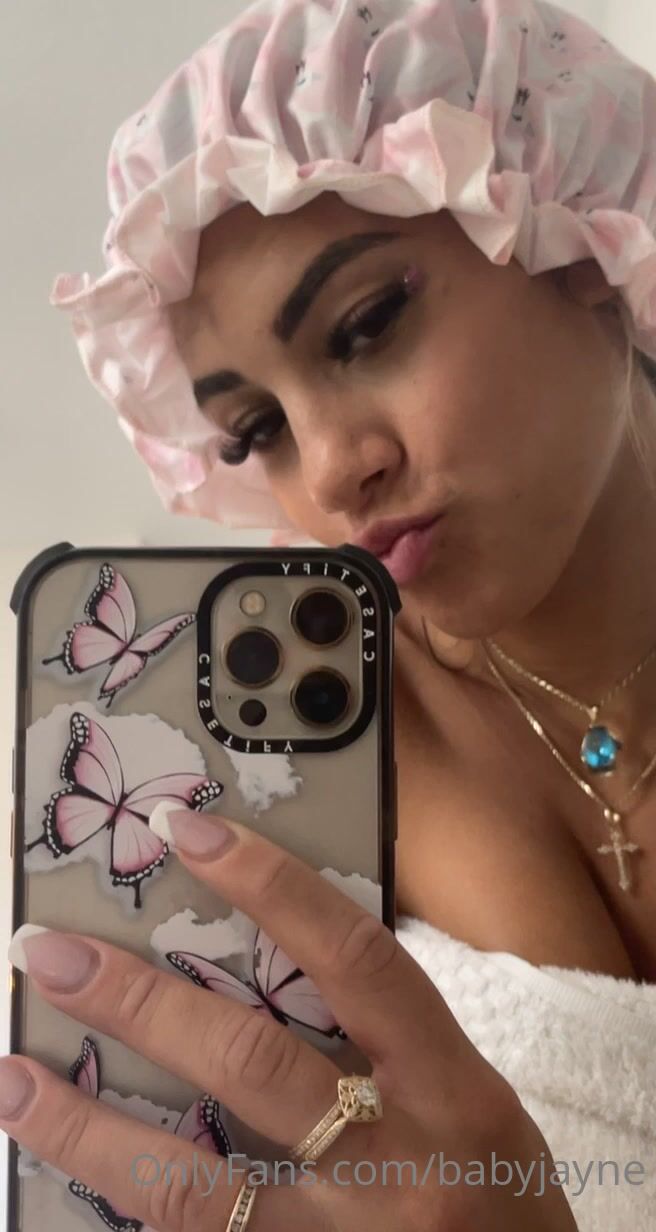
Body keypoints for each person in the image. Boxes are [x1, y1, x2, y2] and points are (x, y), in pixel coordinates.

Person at [3, 0, 656, 1229]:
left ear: (572, 242)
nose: (328, 472)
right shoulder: (282, 772)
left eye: (364, 327)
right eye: (256, 429)